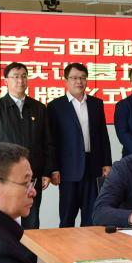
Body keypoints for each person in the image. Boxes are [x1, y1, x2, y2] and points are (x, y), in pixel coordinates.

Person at [0, 62, 56, 263]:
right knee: (3, 223)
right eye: (15, 76)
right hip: (5, 179)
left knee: (32, 224)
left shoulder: (39, 109)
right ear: (6, 81)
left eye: (23, 76)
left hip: (32, 178)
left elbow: (48, 143)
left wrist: (47, 171)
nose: (20, 80)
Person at [47, 62, 112, 227]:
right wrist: (53, 168)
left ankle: (89, 245)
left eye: (83, 78)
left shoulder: (96, 104)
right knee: (67, 217)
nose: (79, 81)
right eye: (74, 78)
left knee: (91, 217)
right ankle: (65, 246)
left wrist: (107, 163)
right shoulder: (56, 106)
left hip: (93, 166)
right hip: (68, 169)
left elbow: (103, 135)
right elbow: (51, 140)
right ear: (66, 80)